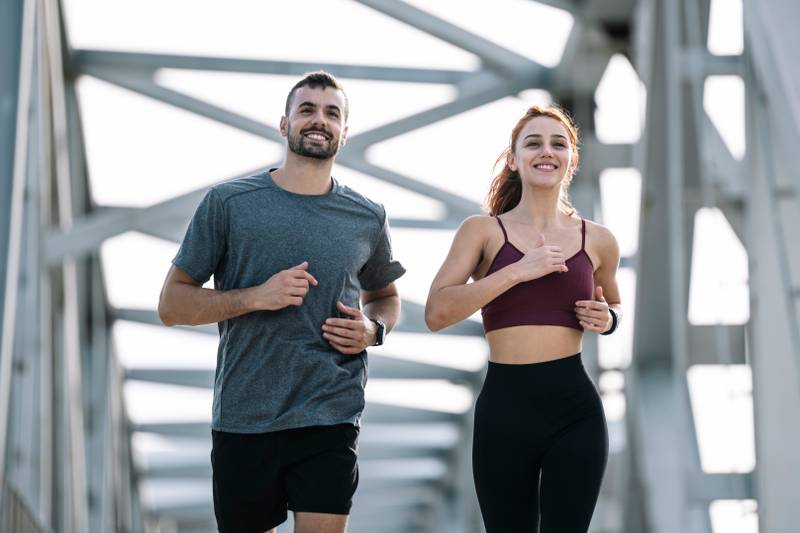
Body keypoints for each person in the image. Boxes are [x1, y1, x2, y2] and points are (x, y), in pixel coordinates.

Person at [158, 71, 405, 533]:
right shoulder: (229, 203)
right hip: (243, 414)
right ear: (284, 123)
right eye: (307, 109)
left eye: (332, 113)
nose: (319, 120)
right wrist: (257, 296)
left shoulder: (367, 216)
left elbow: (386, 297)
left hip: (330, 411)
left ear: (345, 132)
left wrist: (374, 331)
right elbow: (172, 305)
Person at [425, 105, 622, 532]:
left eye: (558, 143)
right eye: (532, 143)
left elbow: (613, 310)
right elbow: (437, 313)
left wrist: (606, 320)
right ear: (513, 159)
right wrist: (517, 270)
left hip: (575, 410)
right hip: (504, 410)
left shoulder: (600, 240)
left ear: (572, 160)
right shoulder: (481, 231)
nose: (545, 151)